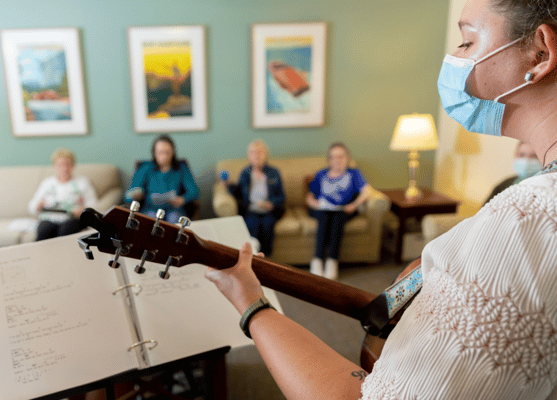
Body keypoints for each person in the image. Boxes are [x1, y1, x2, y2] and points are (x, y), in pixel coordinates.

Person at [205, 0, 557, 398]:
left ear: (540, 52)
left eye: (466, 41)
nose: (454, 59)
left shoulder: (529, 220)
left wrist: (251, 304)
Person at [306, 142, 371, 280]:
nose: (337, 160)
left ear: (347, 158)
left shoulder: (354, 173)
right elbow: (309, 197)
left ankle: (332, 261)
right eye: (334, 157)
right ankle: (317, 260)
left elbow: (367, 191)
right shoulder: (321, 174)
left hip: (343, 210)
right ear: (329, 159)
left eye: (341, 157)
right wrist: (316, 204)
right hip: (322, 209)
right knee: (324, 217)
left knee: (337, 218)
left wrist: (354, 205)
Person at [125, 134, 199, 223]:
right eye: (160, 152)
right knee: (150, 220)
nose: (164, 156)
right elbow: (128, 196)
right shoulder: (145, 168)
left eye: (167, 152)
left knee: (174, 218)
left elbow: (194, 191)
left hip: (174, 209)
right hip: (150, 209)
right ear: (154, 153)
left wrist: (183, 199)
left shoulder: (181, 168)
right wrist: (136, 195)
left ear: (173, 152)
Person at [28, 148, 97, 241]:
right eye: (60, 165)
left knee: (65, 231)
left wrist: (83, 211)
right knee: (44, 231)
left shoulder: (82, 183)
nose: (64, 168)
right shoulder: (47, 183)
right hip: (50, 218)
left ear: (73, 165)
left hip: (72, 218)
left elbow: (93, 206)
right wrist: (38, 206)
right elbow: (32, 207)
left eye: (67, 164)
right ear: (55, 165)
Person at [233, 139, 285, 257]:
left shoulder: (274, 172)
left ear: (266, 155)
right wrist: (227, 186)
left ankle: (266, 257)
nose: (256, 155)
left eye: (260, 152)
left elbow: (281, 196)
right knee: (253, 224)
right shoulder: (245, 173)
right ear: (248, 156)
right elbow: (239, 193)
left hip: (269, 210)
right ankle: (253, 256)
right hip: (251, 209)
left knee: (267, 224)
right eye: (253, 152)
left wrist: (272, 203)